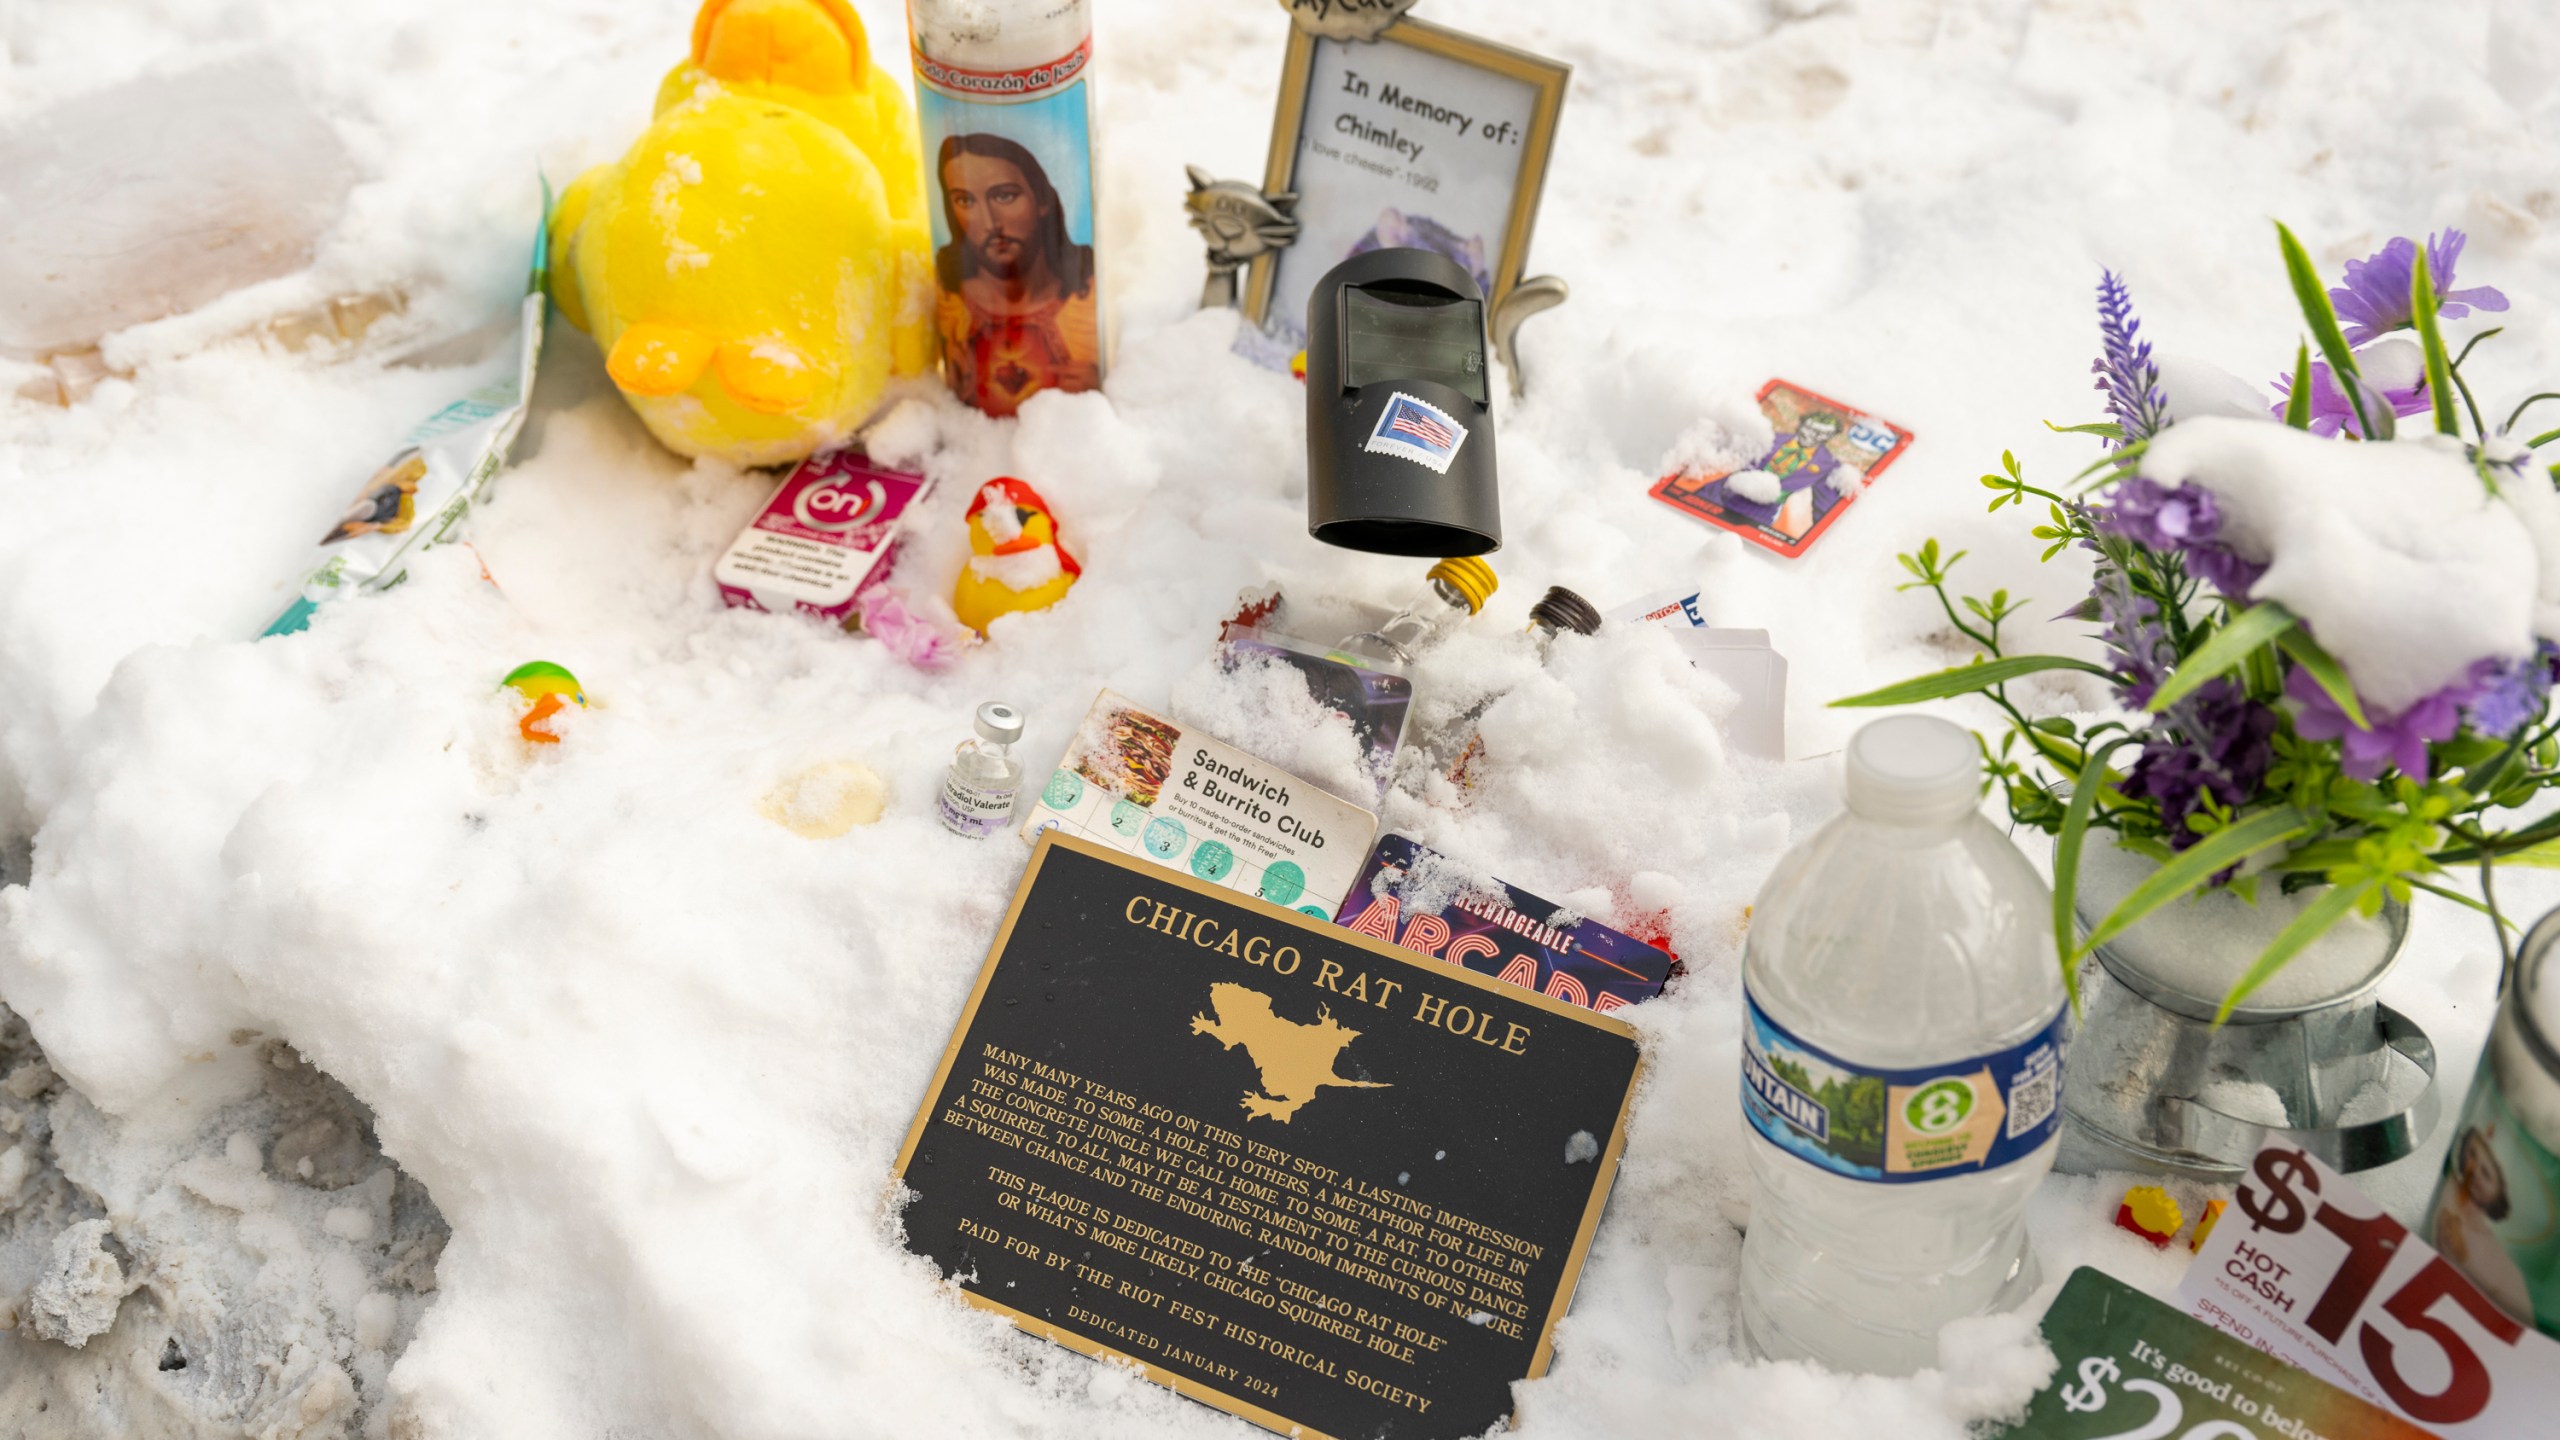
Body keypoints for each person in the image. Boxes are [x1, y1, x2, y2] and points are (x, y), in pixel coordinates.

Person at [932, 133, 1100, 416]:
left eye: (1004, 196)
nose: (990, 223)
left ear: (1042, 200)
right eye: (965, 201)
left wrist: (1095, 386)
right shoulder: (950, 298)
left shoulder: (1088, 293)